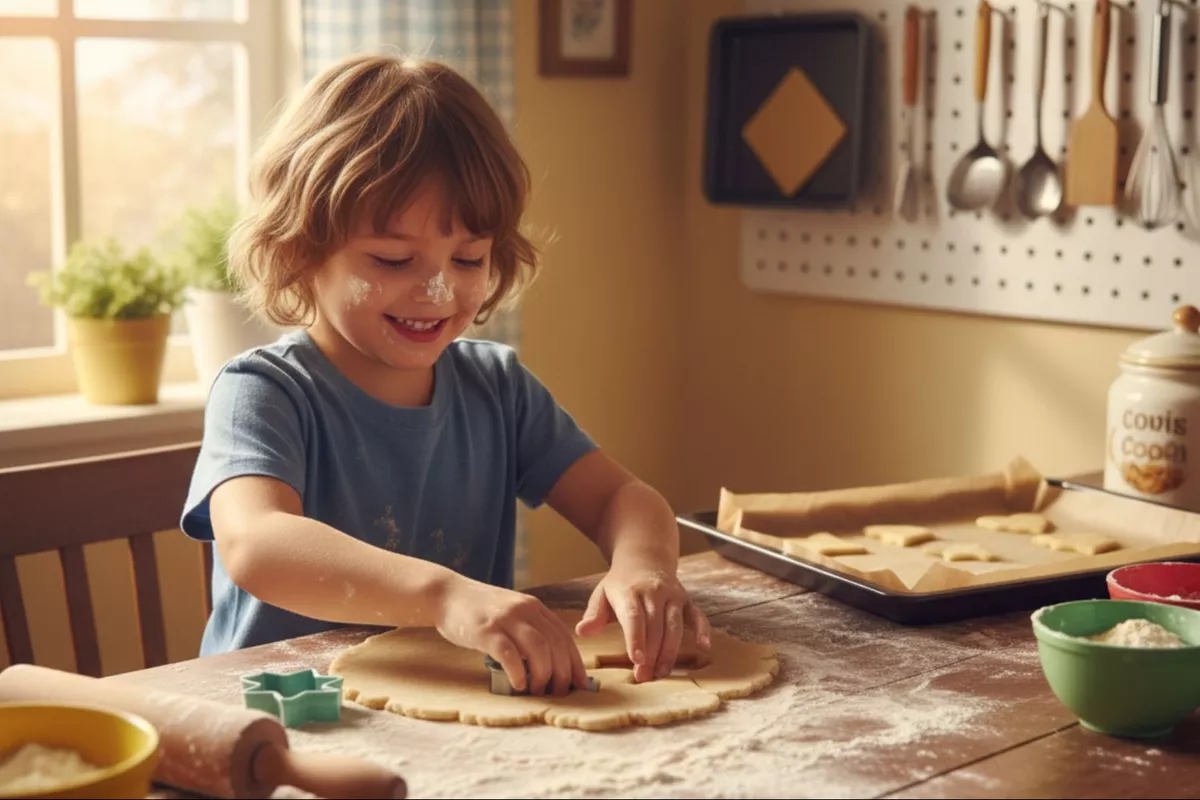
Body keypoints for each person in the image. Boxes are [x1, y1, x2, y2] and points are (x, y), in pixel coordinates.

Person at [179, 53, 711, 696]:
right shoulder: (265, 391)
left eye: (467, 258)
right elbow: (258, 546)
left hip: (447, 712)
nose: (436, 289)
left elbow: (623, 499)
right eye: (394, 258)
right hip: (287, 721)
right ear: (301, 250)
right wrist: (443, 596)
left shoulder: (498, 389)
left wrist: (643, 566)